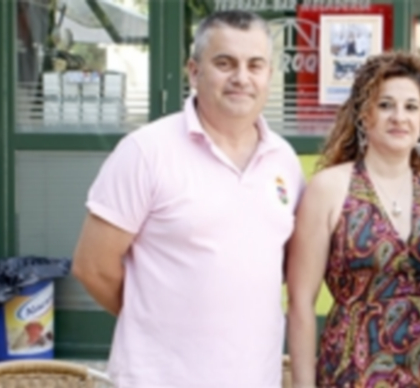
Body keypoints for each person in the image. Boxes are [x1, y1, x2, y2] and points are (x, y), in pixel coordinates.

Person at [71, 10, 304, 388]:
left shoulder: (285, 161)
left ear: (269, 75)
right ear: (194, 72)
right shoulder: (146, 152)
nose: (241, 78)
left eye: (255, 65)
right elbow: (92, 266)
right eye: (225, 63)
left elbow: (280, 267)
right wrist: (153, 321)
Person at [286, 51, 420, 388]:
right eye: (385, 105)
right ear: (364, 115)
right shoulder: (329, 188)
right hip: (355, 370)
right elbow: (300, 303)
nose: (399, 117)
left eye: (411, 107)